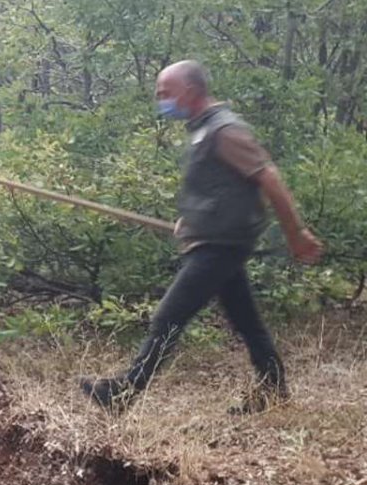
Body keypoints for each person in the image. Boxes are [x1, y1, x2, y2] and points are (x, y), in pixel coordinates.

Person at [80, 60, 324, 414]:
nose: (161, 99)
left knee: (167, 317)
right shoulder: (202, 129)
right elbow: (218, 190)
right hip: (215, 240)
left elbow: (268, 178)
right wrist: (192, 221)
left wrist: (296, 233)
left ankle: (122, 394)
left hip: (221, 246)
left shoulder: (225, 130)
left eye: (165, 93)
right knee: (246, 321)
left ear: (190, 91)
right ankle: (274, 391)